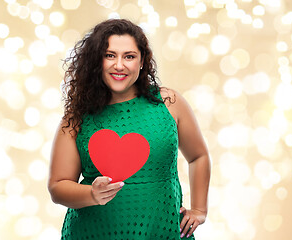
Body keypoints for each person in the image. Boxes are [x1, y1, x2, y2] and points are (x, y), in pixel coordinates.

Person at [48, 19, 211, 240]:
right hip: (92, 233)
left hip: (162, 231)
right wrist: (92, 194)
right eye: (109, 55)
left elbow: (198, 156)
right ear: (97, 60)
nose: (119, 65)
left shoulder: (168, 102)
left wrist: (199, 210)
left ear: (142, 61)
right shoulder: (77, 116)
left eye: (129, 56)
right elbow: (58, 186)